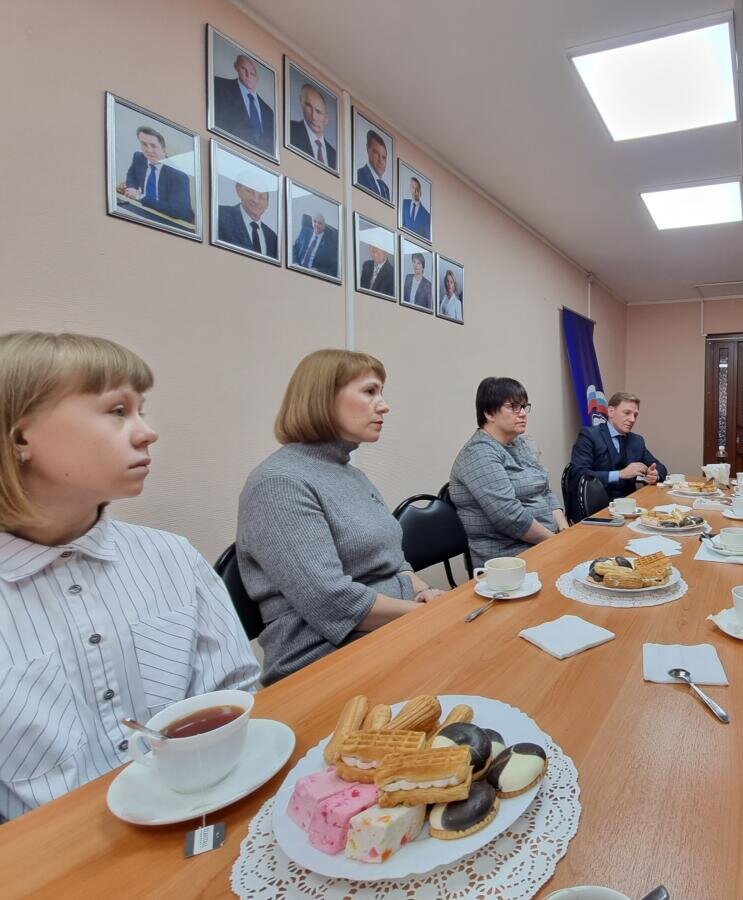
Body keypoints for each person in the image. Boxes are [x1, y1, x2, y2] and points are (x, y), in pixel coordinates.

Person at [0, 332, 259, 822]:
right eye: (118, 411)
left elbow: (236, 691)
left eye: (142, 410)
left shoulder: (171, 558)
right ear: (20, 437)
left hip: (207, 814)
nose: (146, 432)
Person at [237, 350, 443, 684]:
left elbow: (394, 560)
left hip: (387, 633)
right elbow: (332, 601)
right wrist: (428, 615)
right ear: (323, 398)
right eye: (370, 391)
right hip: (324, 663)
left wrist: (427, 591)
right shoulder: (278, 484)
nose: (384, 405)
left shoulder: (349, 473)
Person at [449, 377, 568, 564]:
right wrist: (556, 543)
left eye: (524, 406)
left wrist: (563, 529)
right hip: (508, 556)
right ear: (489, 413)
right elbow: (510, 517)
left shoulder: (521, 444)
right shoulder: (479, 453)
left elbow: (545, 489)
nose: (522, 413)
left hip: (544, 543)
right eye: (514, 407)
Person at [570, 392, 668, 500]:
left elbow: (660, 467)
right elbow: (578, 475)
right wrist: (620, 474)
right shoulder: (590, 436)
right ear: (611, 411)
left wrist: (654, 475)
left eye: (635, 415)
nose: (632, 419)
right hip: (597, 504)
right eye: (627, 413)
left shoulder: (637, 441)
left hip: (629, 505)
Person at [116, 125, 194, 224]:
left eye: (153, 146)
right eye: (144, 144)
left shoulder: (178, 176)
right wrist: (131, 189)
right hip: (143, 212)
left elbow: (179, 212)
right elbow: (132, 176)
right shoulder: (139, 157)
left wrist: (140, 197)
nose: (148, 150)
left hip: (169, 222)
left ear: (164, 149)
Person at [213, 53, 275, 154]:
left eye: (252, 73)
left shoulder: (268, 111)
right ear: (236, 67)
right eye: (243, 69)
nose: (248, 76)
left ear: (257, 78)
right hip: (226, 151)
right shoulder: (220, 86)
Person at [217, 173, 278, 258]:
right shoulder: (220, 215)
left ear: (267, 204)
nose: (256, 200)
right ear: (238, 190)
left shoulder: (272, 237)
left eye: (261, 197)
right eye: (250, 191)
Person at [289, 83, 336, 168]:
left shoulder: (334, 155)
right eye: (308, 106)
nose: (313, 116)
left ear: (326, 119)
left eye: (318, 112)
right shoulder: (289, 131)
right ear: (301, 103)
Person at [291, 211, 338, 277]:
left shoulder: (329, 244)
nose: (316, 225)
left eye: (319, 223)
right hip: (297, 268)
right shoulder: (305, 232)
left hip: (312, 275)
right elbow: (294, 248)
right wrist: (295, 262)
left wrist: (318, 271)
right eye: (314, 221)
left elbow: (333, 268)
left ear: (324, 225)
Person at [355, 130, 390, 200]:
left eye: (384, 157)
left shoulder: (385, 189)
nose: (380, 161)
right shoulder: (359, 175)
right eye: (376, 153)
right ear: (368, 149)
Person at [401, 176, 431, 240]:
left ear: (420, 192)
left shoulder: (427, 215)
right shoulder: (404, 204)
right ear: (410, 188)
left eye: (417, 189)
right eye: (412, 187)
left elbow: (427, 239)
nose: (414, 191)